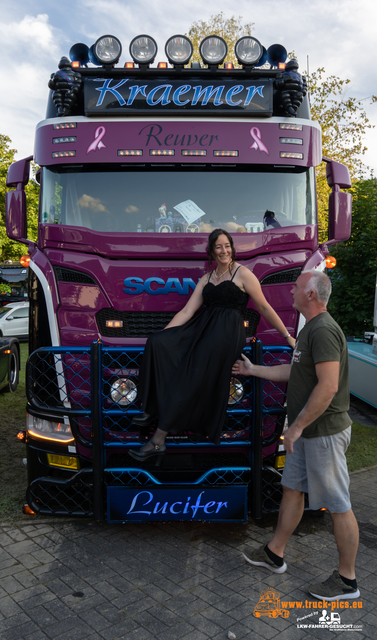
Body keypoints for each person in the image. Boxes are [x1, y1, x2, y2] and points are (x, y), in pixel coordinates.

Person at [232, 270, 360, 601]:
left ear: (311, 295)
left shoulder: (324, 331)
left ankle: (347, 580)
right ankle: (275, 553)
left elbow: (328, 386)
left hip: (323, 434)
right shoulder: (308, 330)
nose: (291, 290)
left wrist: (297, 426)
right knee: (292, 490)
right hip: (305, 433)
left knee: (338, 505)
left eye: (296, 286)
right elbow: (296, 372)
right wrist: (253, 370)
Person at [129, 228, 295, 462]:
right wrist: (165, 335)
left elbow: (265, 307)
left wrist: (288, 337)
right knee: (156, 343)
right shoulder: (206, 278)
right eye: (219, 246)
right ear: (212, 251)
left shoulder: (243, 273)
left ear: (232, 248)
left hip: (226, 334)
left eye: (227, 245)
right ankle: (151, 411)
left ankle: (158, 438)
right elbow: (187, 310)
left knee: (189, 376)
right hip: (203, 329)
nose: (224, 250)